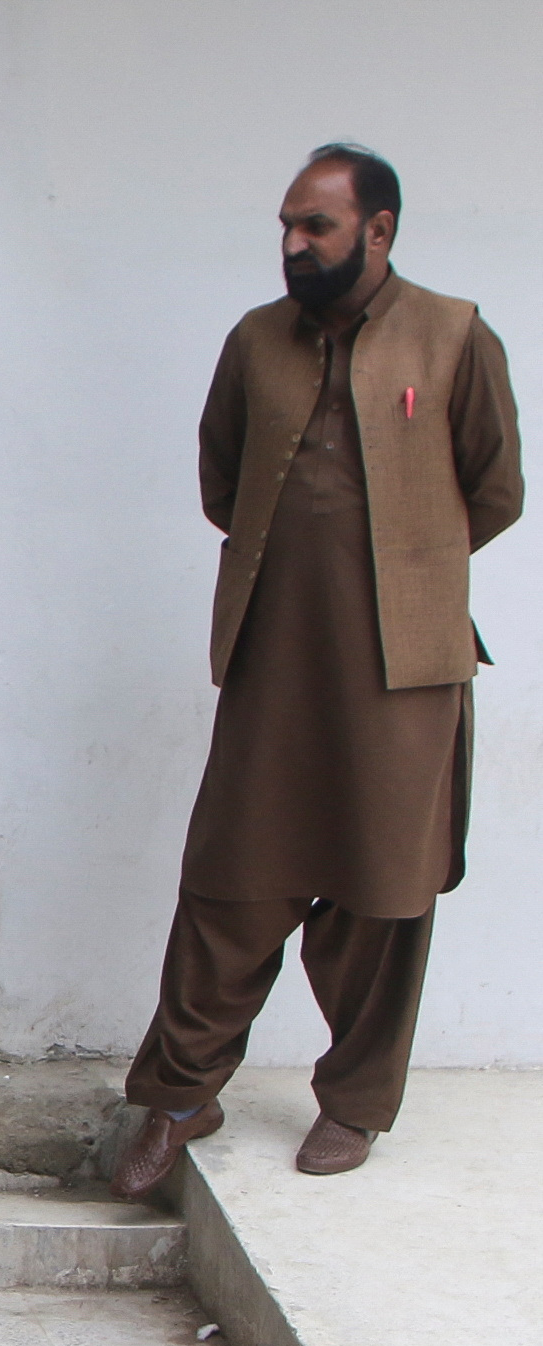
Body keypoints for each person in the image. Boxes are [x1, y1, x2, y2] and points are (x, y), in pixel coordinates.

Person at [111, 146, 521, 1197]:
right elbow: (221, 477)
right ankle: (180, 1094)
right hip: (273, 656)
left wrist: (406, 572)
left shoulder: (454, 335)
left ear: (378, 232)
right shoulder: (256, 340)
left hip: (406, 671)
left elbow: (496, 487)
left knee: (383, 892)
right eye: (287, 226)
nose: (293, 246)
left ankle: (354, 1105)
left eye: (316, 229)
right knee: (227, 883)